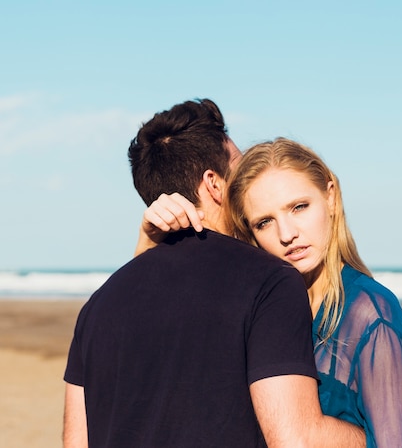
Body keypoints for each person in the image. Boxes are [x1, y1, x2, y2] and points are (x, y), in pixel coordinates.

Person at [63, 99, 365, 448]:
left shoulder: (97, 307)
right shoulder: (270, 282)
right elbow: (296, 440)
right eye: (240, 169)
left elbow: (76, 443)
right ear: (214, 184)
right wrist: (382, 431)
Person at [139, 136, 402, 447]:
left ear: (330, 197)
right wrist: (148, 239)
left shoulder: (371, 314)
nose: (287, 234)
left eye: (299, 207)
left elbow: (400, 443)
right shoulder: (265, 314)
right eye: (264, 222)